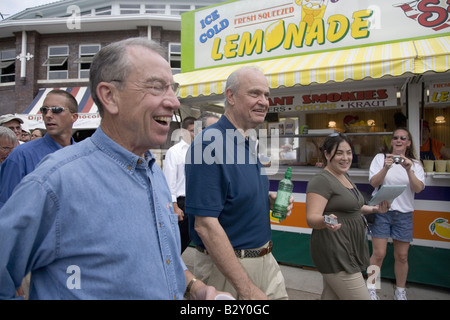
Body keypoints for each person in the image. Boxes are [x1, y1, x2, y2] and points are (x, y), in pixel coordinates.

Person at [0, 37, 227, 300]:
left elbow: (163, 257)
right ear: (110, 96)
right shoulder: (54, 182)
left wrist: (197, 288)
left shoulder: (153, 172)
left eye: (172, 88)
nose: (174, 102)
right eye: (156, 87)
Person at [185, 66, 292, 300]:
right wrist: (247, 290)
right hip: (229, 271)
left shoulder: (247, 140)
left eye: (266, 95)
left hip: (266, 260)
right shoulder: (208, 144)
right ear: (230, 96)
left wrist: (267, 200)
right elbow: (205, 226)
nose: (264, 101)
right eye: (255, 93)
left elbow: (232, 195)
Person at [305, 133, 389, 300]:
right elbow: (311, 218)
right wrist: (326, 221)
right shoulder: (321, 180)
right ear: (327, 155)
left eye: (349, 152)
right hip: (336, 251)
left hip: (350, 247)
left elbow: (353, 208)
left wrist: (374, 209)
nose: (345, 158)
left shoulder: (344, 176)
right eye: (339, 153)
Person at [368, 127, 425, 300]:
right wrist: (386, 167)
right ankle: (371, 288)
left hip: (404, 214)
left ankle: (400, 291)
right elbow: (373, 182)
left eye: (403, 138)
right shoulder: (380, 158)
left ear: (408, 143)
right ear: (391, 141)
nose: (399, 140)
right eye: (395, 138)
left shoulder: (416, 164)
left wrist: (408, 169)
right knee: (378, 254)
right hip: (382, 211)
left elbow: (418, 188)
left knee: (402, 256)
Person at [0, 89, 78, 208]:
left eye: (56, 110)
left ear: (74, 117)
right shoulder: (21, 156)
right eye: (44, 110)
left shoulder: (84, 155)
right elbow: (8, 207)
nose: (48, 115)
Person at [163, 116, 196, 253]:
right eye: (193, 130)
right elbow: (169, 182)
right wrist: (174, 207)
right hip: (182, 204)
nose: (196, 134)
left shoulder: (203, 151)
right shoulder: (174, 152)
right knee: (178, 245)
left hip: (197, 202)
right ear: (184, 132)